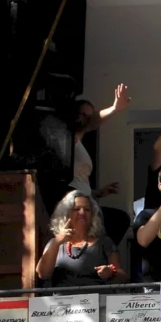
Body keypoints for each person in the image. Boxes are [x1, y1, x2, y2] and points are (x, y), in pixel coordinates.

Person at [69, 84, 132, 245]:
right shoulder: (70, 139)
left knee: (118, 222)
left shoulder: (80, 144)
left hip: (87, 201)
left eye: (89, 115)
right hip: (74, 204)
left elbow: (81, 181)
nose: (86, 118)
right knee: (119, 220)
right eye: (83, 114)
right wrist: (114, 108)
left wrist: (99, 193)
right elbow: (93, 122)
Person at [36, 191, 127, 287]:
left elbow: (124, 277)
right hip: (63, 300)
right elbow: (43, 274)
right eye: (76, 209)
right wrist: (57, 242)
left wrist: (111, 273)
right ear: (65, 214)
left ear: (92, 215)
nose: (82, 212)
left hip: (97, 299)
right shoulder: (54, 243)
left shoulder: (105, 242)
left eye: (87, 209)